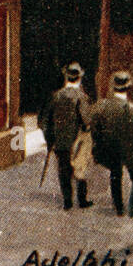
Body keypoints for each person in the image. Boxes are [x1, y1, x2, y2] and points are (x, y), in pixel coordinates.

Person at [90, 71, 133, 218]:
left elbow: (95, 128)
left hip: (109, 148)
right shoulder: (129, 108)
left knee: (115, 176)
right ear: (128, 88)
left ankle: (119, 208)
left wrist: (99, 145)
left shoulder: (102, 105)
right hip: (126, 150)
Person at [38, 62, 92, 211]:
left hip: (60, 141)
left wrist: (49, 138)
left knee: (64, 171)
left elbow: (44, 121)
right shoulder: (81, 97)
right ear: (79, 78)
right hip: (76, 141)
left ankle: (67, 201)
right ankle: (82, 200)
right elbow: (87, 121)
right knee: (79, 169)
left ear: (66, 77)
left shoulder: (56, 96)